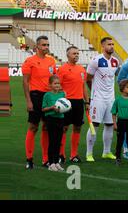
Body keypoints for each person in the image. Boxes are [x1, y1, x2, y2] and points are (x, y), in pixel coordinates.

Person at [22, 35, 56, 169]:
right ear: (37, 47)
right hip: (35, 96)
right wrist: (28, 101)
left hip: (48, 97)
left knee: (46, 127)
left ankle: (45, 159)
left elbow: (54, 80)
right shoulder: (30, 61)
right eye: (43, 45)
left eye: (47, 45)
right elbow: (25, 82)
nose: (46, 47)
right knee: (33, 127)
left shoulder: (51, 61)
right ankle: (29, 159)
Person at [85, 37, 120, 162]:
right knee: (94, 125)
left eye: (113, 44)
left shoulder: (116, 61)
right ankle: (89, 153)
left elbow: (115, 78)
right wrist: (94, 93)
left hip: (111, 99)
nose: (112, 46)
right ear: (103, 46)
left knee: (110, 125)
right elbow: (88, 79)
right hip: (98, 99)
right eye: (109, 44)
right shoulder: (96, 61)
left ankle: (106, 152)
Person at [57, 46, 89, 164]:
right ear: (68, 55)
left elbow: (83, 86)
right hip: (66, 102)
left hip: (78, 102)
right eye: (74, 53)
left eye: (77, 53)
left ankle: (74, 154)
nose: (76, 55)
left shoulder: (81, 69)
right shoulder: (62, 69)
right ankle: (61, 154)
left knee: (77, 127)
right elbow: (57, 85)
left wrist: (86, 101)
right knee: (64, 128)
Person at [41, 76, 66, 172]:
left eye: (58, 83)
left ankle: (56, 162)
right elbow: (43, 109)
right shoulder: (47, 95)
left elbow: (65, 106)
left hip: (60, 119)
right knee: (52, 142)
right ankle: (51, 163)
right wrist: (52, 108)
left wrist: (67, 108)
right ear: (50, 85)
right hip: (51, 119)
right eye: (55, 83)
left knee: (58, 142)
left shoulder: (62, 94)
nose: (57, 85)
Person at [112, 79, 128, 166]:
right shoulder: (118, 100)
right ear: (122, 88)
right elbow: (114, 113)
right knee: (120, 141)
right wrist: (115, 124)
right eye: (127, 87)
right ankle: (118, 158)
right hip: (121, 122)